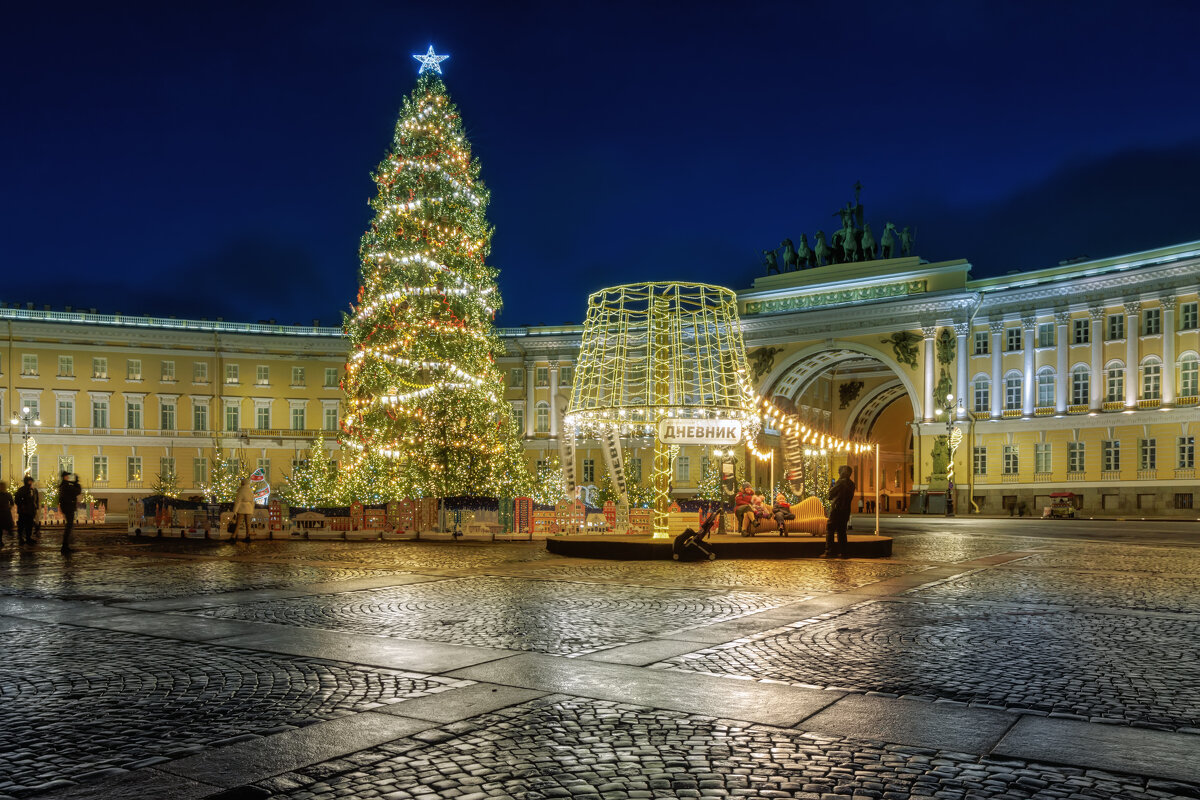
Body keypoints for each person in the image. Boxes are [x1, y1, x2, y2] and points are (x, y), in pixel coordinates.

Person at [823, 465, 856, 559]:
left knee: (830, 529)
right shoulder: (852, 484)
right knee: (842, 531)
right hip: (846, 510)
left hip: (836, 509)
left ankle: (829, 551)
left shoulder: (839, 482)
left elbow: (830, 495)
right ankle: (843, 552)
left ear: (841, 472)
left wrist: (831, 487)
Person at [58, 472, 82, 553]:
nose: (68, 477)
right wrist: (77, 483)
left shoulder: (64, 485)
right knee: (68, 527)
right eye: (67, 476)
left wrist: (74, 483)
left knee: (69, 526)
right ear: (64, 477)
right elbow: (78, 491)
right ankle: (65, 547)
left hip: (67, 507)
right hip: (69, 508)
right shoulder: (66, 486)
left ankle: (65, 546)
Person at [15, 476, 39, 545]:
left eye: (31, 481)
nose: (31, 483)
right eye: (29, 481)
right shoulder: (21, 490)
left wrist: (35, 507)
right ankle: (21, 539)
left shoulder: (33, 490)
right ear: (26, 482)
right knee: (21, 525)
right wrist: (22, 506)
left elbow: (35, 499)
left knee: (29, 525)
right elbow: (17, 500)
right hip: (23, 511)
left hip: (31, 511)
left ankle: (28, 538)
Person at [0, 482, 13, 546]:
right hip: (5, 512)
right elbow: (12, 503)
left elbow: (12, 503)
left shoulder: (7, 494)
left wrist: (9, 507)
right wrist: (9, 507)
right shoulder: (8, 494)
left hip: (5, 512)